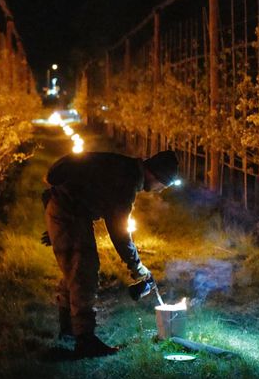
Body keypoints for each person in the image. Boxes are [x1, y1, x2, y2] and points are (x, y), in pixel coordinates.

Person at [41, 149, 179, 356]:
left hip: (65, 209)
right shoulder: (127, 179)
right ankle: (85, 340)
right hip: (69, 212)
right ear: (155, 175)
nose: (160, 191)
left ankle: (68, 332)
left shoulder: (126, 166)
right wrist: (136, 265)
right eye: (163, 186)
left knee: (75, 271)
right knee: (83, 272)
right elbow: (119, 230)